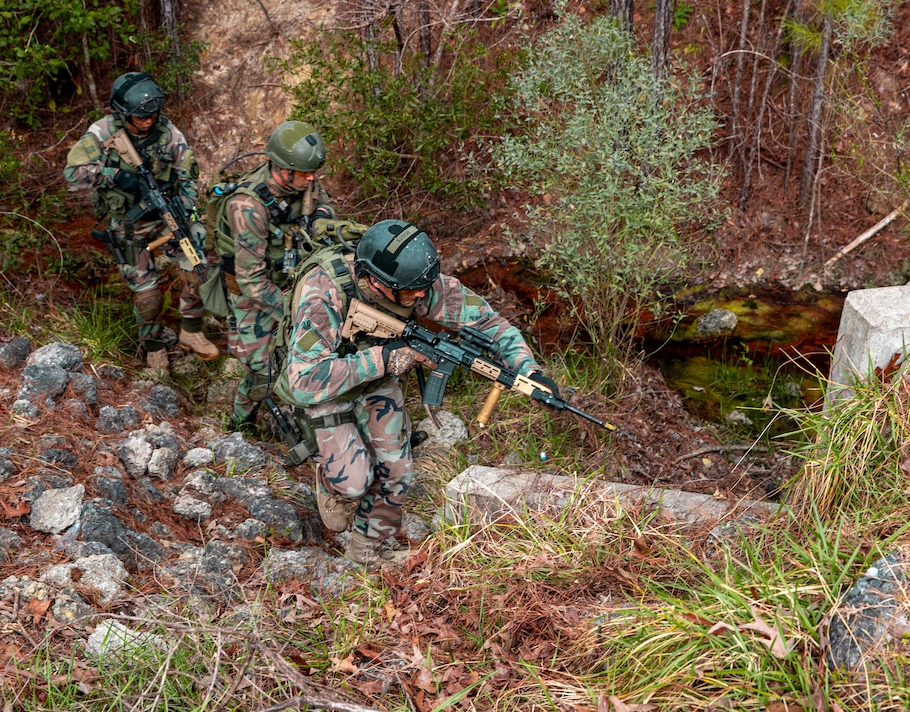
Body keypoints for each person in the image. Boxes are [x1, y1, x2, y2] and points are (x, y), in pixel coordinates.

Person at [274, 219, 558, 568]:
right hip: (327, 384)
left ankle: (367, 548)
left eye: (424, 286)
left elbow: (488, 322)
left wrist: (529, 371)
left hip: (378, 377)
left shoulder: (415, 283)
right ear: (377, 281)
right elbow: (304, 379)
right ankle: (331, 485)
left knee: (397, 468)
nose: (422, 295)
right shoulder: (324, 292)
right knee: (353, 481)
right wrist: (384, 359)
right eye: (413, 290)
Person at [64, 71, 218, 373]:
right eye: (140, 118)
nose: (148, 122)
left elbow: (187, 178)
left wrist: (181, 216)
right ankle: (154, 346)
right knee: (148, 297)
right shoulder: (103, 132)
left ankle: (191, 328)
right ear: (124, 114)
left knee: (197, 265)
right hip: (128, 222)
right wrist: (115, 177)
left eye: (152, 115)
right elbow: (72, 174)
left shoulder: (168, 134)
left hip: (165, 216)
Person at [211, 120, 336, 432]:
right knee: (262, 370)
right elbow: (251, 281)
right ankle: (240, 424)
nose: (312, 179)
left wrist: (320, 218)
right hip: (251, 290)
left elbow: (325, 205)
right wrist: (295, 312)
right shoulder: (248, 207)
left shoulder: (304, 180)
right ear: (282, 168)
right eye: (305, 173)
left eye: (313, 173)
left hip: (289, 278)